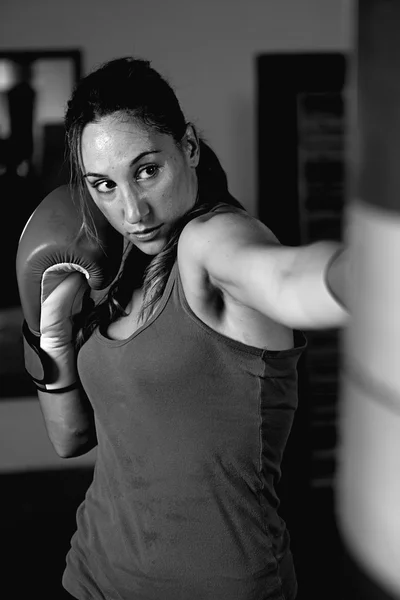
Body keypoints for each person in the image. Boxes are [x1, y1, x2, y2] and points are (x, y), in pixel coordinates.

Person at [16, 56, 349, 600]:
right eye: (103, 185)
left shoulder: (212, 242)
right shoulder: (120, 263)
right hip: (93, 576)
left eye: (147, 170)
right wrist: (47, 337)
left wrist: (372, 271)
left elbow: (286, 277)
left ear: (188, 147)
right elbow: (70, 438)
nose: (132, 210)